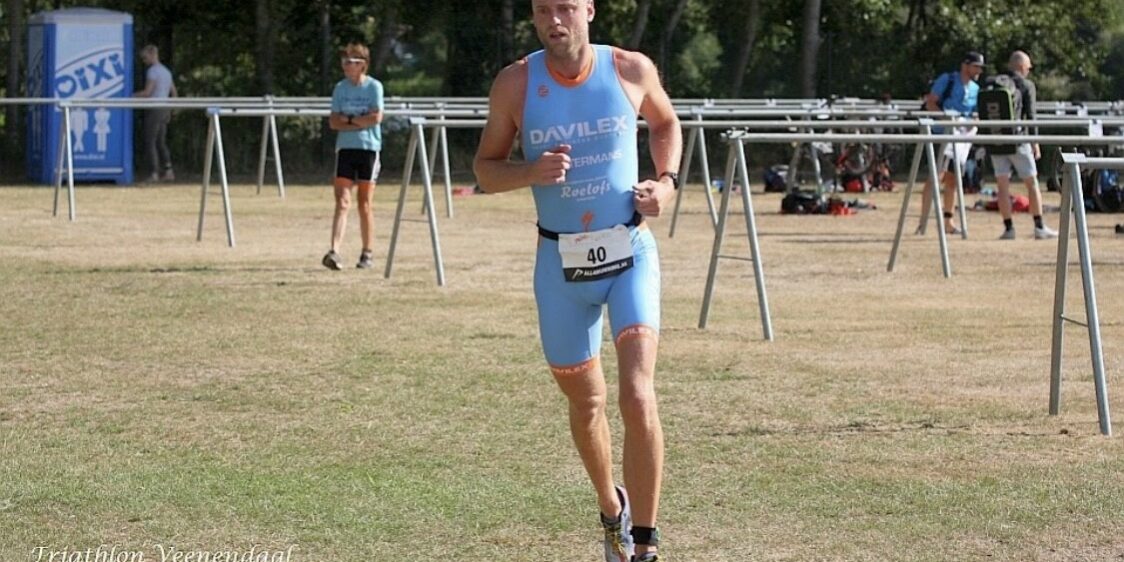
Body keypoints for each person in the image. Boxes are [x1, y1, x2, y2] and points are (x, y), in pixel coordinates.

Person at [473, 1, 680, 561]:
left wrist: (665, 182)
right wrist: (529, 172)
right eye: (543, 9)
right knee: (587, 403)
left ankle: (646, 544)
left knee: (636, 393)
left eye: (565, 6)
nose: (554, 19)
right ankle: (613, 509)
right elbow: (485, 170)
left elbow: (665, 122)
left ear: (589, 8)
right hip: (560, 266)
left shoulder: (630, 68)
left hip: (629, 252)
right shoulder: (516, 83)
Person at [322, 42, 384, 271]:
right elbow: (333, 121)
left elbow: (375, 118)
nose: (346, 66)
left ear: (362, 65)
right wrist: (357, 121)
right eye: (344, 62)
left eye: (351, 62)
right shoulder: (340, 88)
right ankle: (334, 250)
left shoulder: (374, 87)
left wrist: (348, 120)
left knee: (364, 203)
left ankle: (367, 252)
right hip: (345, 149)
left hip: (368, 149)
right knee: (342, 201)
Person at [987, 51, 1057, 240]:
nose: (1029, 71)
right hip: (1018, 140)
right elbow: (1031, 116)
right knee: (1032, 183)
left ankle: (1009, 229)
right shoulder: (1026, 85)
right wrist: (1035, 142)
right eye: (1028, 67)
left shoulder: (994, 83)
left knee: (1002, 186)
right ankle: (1039, 226)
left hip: (996, 140)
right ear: (1021, 67)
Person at [917, 51, 984, 235]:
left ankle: (948, 221)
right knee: (936, 176)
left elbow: (975, 113)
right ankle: (923, 221)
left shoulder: (976, 89)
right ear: (965, 65)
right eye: (976, 66)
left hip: (961, 139)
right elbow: (931, 103)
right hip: (942, 134)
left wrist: (973, 122)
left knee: (954, 180)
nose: (979, 71)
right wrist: (946, 119)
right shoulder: (948, 80)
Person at [134, 45, 177, 183]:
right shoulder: (166, 72)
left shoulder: (152, 71)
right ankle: (169, 171)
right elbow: (174, 93)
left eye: (145, 57)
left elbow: (147, 92)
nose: (144, 61)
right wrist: (171, 109)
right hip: (164, 109)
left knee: (150, 141)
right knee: (161, 142)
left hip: (154, 109)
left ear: (153, 54)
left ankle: (154, 173)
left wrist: (131, 96)